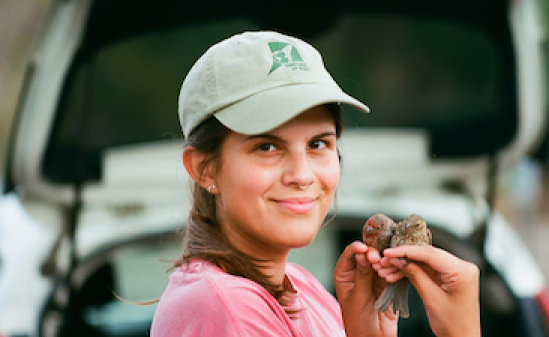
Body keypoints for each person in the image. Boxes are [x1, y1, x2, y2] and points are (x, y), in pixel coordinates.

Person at [150, 30, 480, 337]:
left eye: (318, 144)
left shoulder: (301, 288)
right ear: (204, 169)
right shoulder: (226, 307)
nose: (303, 174)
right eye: (267, 147)